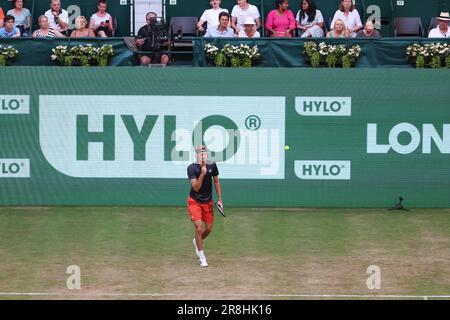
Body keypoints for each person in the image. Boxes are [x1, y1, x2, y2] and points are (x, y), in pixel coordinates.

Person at [187, 145, 222, 268]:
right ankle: (202, 257)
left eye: (205, 153)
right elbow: (195, 187)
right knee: (198, 227)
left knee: (209, 229)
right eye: (200, 153)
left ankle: (197, 240)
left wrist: (220, 200)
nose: (203, 155)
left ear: (207, 155)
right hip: (194, 201)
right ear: (196, 155)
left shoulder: (212, 165)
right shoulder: (191, 168)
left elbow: (216, 181)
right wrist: (202, 174)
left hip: (208, 202)